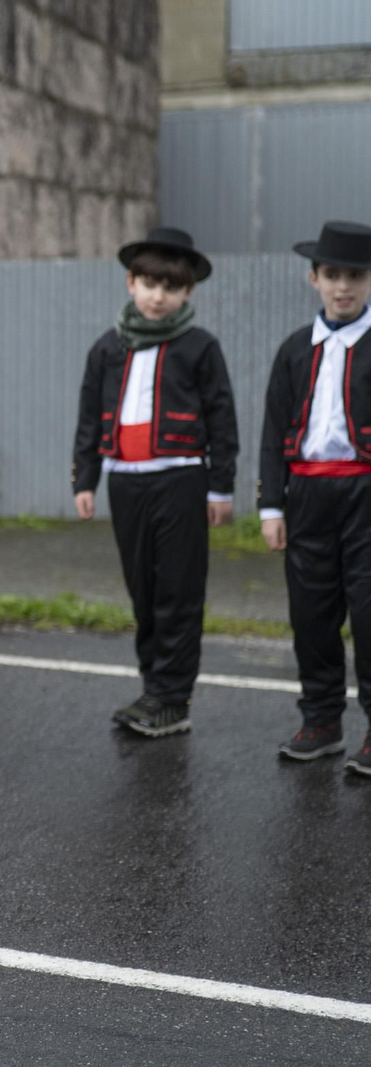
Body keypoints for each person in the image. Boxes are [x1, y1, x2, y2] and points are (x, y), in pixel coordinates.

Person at [71, 228, 238, 739]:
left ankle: (173, 698)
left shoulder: (199, 347)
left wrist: (221, 487)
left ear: (188, 292)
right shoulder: (107, 347)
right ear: (130, 283)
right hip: (126, 482)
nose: (158, 295)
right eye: (148, 283)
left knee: (177, 591)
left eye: (170, 286)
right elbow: (88, 418)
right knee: (143, 590)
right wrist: (86, 478)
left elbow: (221, 418)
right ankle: (153, 689)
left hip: (181, 480)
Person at [259, 220, 371, 774]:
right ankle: (322, 720)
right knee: (311, 612)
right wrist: (270, 506)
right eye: (332, 275)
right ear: (314, 279)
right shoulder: (292, 350)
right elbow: (272, 429)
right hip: (306, 494)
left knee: (370, 611)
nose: (343, 286)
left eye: (355, 275)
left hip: (365, 493)